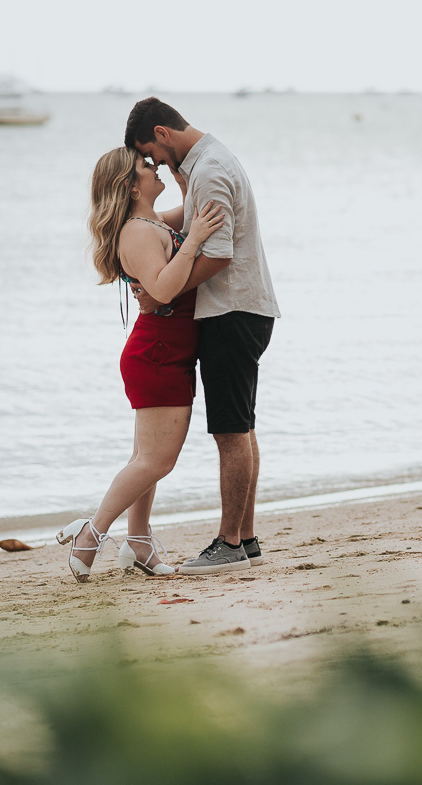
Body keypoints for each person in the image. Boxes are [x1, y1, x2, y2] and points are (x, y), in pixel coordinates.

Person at [124, 97, 281, 575]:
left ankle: (229, 543)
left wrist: (160, 295)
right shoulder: (206, 164)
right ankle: (246, 538)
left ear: (162, 133)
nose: (153, 163)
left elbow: (217, 256)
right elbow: (190, 227)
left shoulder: (208, 170)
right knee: (242, 426)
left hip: (231, 311)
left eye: (151, 153)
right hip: (244, 309)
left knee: (230, 431)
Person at [56, 146, 224, 583]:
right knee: (156, 461)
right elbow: (165, 289)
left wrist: (189, 184)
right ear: (131, 186)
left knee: (145, 457)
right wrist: (197, 242)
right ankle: (92, 533)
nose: (155, 168)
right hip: (159, 352)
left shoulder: (149, 222)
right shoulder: (136, 232)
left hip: (164, 348)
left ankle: (139, 542)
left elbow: (184, 214)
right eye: (146, 166)